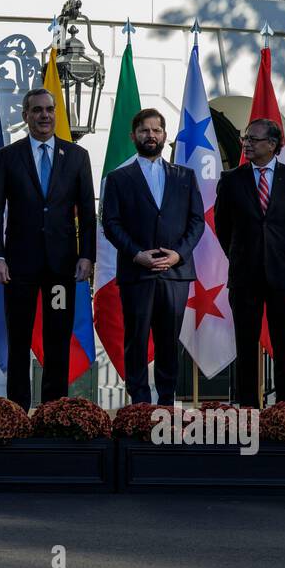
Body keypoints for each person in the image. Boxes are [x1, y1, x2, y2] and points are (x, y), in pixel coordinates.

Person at [0, 88, 96, 410]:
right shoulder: (7, 157)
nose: (44, 115)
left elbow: (87, 212)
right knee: (18, 339)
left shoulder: (76, 157)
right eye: (37, 110)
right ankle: (18, 410)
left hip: (61, 268)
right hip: (18, 266)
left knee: (57, 339)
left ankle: (53, 409)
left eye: (49, 109)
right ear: (26, 115)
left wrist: (86, 255)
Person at [101, 108, 204, 405]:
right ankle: (140, 406)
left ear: (164, 135)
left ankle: (166, 404)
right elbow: (110, 223)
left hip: (175, 273)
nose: (151, 135)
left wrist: (178, 254)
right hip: (138, 272)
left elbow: (197, 221)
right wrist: (136, 254)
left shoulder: (184, 176)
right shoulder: (118, 178)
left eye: (156, 130)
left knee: (168, 342)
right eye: (145, 130)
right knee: (135, 340)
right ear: (133, 136)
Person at [214, 118, 285, 407]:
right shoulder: (231, 180)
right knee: (246, 344)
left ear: (272, 144)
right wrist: (242, 255)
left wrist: (279, 252)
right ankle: (248, 407)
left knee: (283, 345)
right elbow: (223, 227)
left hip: (283, 275)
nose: (246, 143)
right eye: (246, 138)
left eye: (254, 139)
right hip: (245, 275)